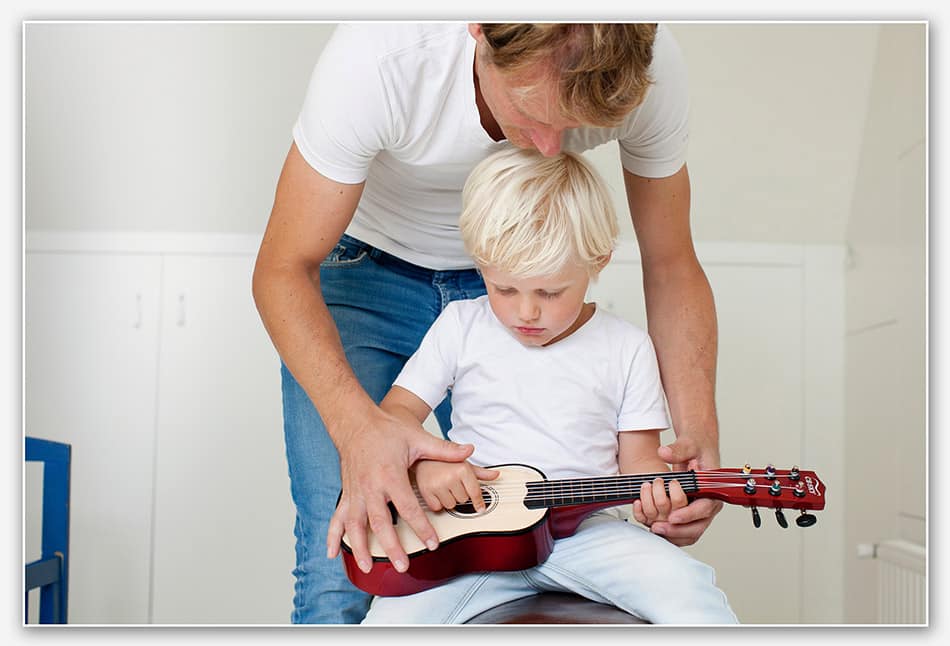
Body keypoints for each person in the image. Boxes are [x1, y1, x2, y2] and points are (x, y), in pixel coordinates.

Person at [252, 22, 721, 624]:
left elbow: (671, 262)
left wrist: (698, 441)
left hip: (509, 267)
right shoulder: (380, 55)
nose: (552, 148)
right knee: (344, 564)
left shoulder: (645, 66)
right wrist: (370, 438)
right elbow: (281, 269)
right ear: (480, 31)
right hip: (363, 270)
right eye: (532, 110)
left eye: (576, 122)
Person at [359, 147, 737, 624]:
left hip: (588, 536)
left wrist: (657, 502)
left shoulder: (627, 347)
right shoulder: (461, 325)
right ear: (480, 265)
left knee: (691, 592)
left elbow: (639, 464)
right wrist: (428, 463)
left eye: (549, 292)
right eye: (504, 289)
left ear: (596, 260)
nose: (526, 312)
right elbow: (393, 418)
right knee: (384, 626)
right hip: (469, 538)